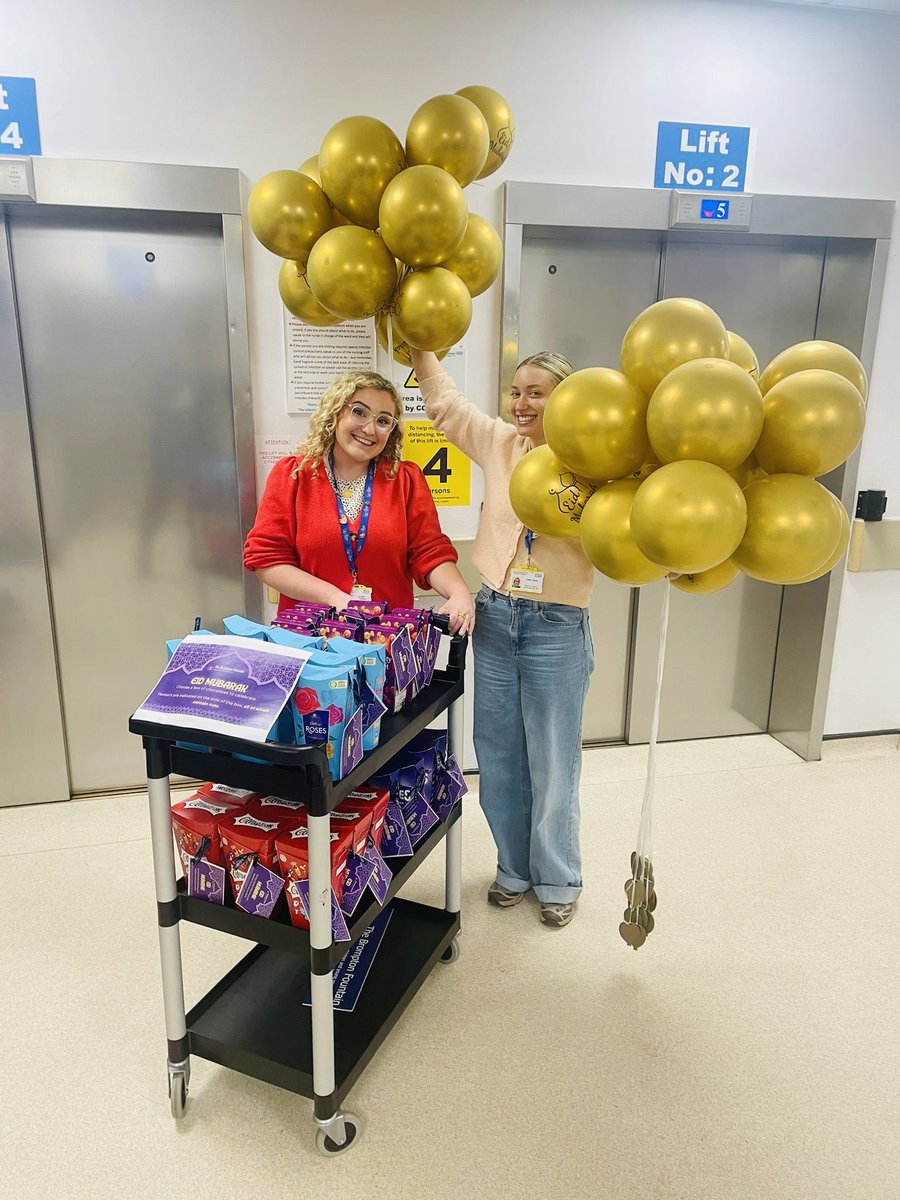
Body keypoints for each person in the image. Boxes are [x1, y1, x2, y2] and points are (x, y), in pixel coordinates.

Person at [410, 347, 595, 929]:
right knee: (497, 754)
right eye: (516, 392)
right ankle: (513, 867)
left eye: (536, 393)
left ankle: (559, 876)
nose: (521, 404)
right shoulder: (498, 443)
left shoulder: (598, 462)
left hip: (555, 625)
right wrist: (421, 350)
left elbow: (638, 524)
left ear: (564, 399)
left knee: (554, 761)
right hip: (493, 616)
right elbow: (446, 406)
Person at [243, 369, 475, 632]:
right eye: (359, 412)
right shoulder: (294, 476)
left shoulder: (404, 480)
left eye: (383, 420)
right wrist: (335, 599)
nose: (369, 428)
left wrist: (458, 593)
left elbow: (428, 551)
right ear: (336, 413)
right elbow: (267, 560)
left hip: (386, 639)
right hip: (311, 643)